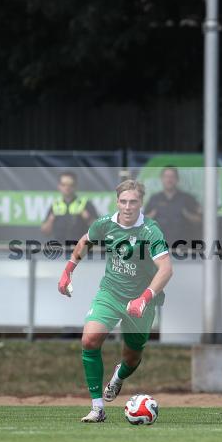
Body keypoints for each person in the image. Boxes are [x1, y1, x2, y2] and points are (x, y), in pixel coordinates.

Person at [57, 179, 172, 423]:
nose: (128, 207)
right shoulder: (105, 224)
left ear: (141, 203)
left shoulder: (151, 230)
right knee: (89, 339)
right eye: (123, 201)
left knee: (131, 357)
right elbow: (84, 241)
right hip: (110, 293)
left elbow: (165, 269)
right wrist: (68, 270)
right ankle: (97, 408)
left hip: (141, 301)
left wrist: (145, 297)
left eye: (133, 202)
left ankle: (118, 377)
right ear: (116, 201)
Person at [143, 166, 201, 249]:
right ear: (161, 179)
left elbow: (200, 221)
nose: (169, 180)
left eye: (172, 177)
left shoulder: (187, 199)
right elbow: (143, 223)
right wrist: (151, 216)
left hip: (183, 248)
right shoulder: (154, 199)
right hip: (159, 247)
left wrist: (188, 215)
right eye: (166, 176)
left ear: (177, 179)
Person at [40, 171, 99, 246]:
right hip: (60, 250)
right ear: (59, 186)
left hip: (81, 249)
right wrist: (50, 220)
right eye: (63, 184)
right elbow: (45, 232)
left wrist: (88, 218)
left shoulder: (85, 204)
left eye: (70, 185)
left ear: (76, 186)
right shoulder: (55, 205)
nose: (67, 188)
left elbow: (98, 230)